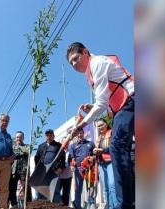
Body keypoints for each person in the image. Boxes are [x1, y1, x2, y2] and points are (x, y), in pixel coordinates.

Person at [66, 42, 135, 209]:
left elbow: (102, 103)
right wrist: (93, 108)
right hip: (123, 108)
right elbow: (105, 102)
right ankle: (128, 202)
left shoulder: (97, 63)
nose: (74, 64)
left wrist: (80, 125)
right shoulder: (90, 73)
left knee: (117, 146)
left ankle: (126, 204)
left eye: (76, 58)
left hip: (133, 98)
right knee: (119, 147)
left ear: (86, 52)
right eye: (71, 63)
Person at [34, 129, 65, 203]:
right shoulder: (41, 146)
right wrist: (37, 168)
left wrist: (61, 168)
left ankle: (56, 207)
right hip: (42, 172)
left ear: (53, 136)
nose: (49, 137)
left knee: (55, 191)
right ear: (45, 137)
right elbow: (36, 158)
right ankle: (41, 206)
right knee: (41, 191)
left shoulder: (58, 145)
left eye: (50, 135)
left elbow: (63, 157)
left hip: (54, 171)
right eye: (47, 135)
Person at [68, 128, 95, 209]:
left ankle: (91, 205)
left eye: (81, 133)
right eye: (78, 134)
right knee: (78, 189)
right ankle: (78, 206)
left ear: (84, 133)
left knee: (90, 188)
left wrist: (92, 158)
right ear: (76, 135)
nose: (80, 135)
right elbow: (71, 158)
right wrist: (72, 165)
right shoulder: (72, 146)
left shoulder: (90, 143)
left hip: (89, 169)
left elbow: (95, 154)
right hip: (78, 169)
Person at [94, 118, 118, 209]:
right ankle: (109, 206)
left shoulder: (111, 132)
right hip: (101, 163)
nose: (100, 127)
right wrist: (95, 152)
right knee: (105, 188)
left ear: (106, 124)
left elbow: (114, 146)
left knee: (112, 185)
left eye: (101, 124)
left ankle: (116, 206)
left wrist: (103, 150)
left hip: (110, 161)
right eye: (98, 126)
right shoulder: (98, 138)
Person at [8, 131, 31, 208]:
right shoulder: (11, 147)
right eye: (17, 137)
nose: (19, 139)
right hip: (13, 171)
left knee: (26, 189)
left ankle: (28, 206)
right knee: (12, 189)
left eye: (20, 137)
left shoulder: (27, 146)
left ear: (23, 138)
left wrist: (19, 148)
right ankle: (14, 205)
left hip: (23, 171)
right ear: (15, 138)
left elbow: (28, 151)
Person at [59, 137, 73, 206]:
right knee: (56, 193)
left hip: (68, 176)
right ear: (61, 142)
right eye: (64, 142)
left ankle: (65, 206)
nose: (66, 143)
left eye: (67, 142)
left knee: (66, 194)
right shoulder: (58, 151)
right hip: (59, 176)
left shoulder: (71, 150)